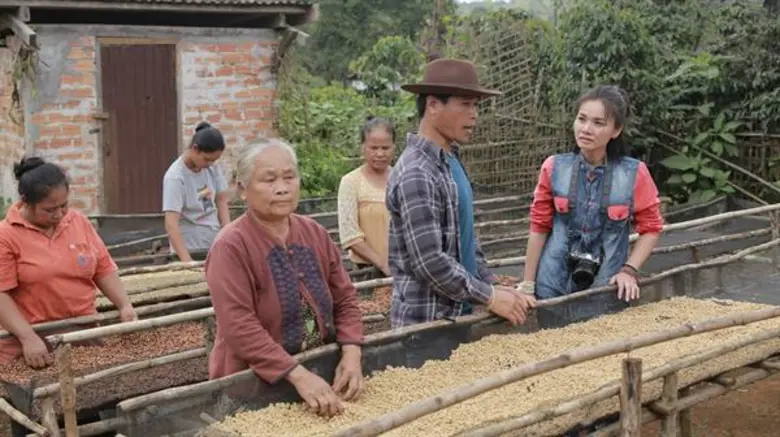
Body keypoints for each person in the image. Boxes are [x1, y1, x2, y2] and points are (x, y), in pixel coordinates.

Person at [386, 58, 536, 367]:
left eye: (477, 106)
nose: (474, 115)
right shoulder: (417, 173)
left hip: (457, 317)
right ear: (433, 105)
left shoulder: (450, 161)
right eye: (466, 104)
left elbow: (465, 239)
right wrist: (491, 297)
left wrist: (492, 286)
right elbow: (430, 262)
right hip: (426, 327)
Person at [205, 138, 364, 418]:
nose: (282, 187)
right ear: (243, 189)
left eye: (289, 177)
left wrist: (351, 352)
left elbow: (345, 297)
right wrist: (298, 375)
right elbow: (239, 326)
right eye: (269, 179)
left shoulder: (314, 233)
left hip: (319, 373)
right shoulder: (230, 246)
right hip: (252, 387)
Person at [519, 85, 664, 330]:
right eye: (581, 119)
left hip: (605, 289)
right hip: (551, 286)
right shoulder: (554, 168)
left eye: (598, 123)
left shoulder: (634, 173)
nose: (586, 129)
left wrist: (629, 270)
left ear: (616, 130)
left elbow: (651, 228)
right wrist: (528, 285)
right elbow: (539, 227)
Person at [0, 156, 137, 368]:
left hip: (82, 332)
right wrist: (28, 337)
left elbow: (103, 268)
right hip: (32, 339)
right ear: (26, 201)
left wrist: (124, 305)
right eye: (49, 209)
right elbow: (1, 294)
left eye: (63, 205)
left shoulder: (77, 221)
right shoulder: (7, 235)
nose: (59, 214)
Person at [163, 121, 231, 263]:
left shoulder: (211, 168)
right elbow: (171, 223)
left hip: (213, 241)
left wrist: (227, 232)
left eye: (214, 160)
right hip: (191, 247)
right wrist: (187, 261)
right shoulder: (175, 177)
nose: (210, 164)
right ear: (195, 149)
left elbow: (221, 199)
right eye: (206, 159)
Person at [337, 116, 396, 279]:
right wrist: (382, 263)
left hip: (404, 269)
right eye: (373, 147)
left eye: (385, 148)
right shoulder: (351, 182)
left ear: (394, 147)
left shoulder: (402, 178)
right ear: (363, 147)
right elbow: (350, 235)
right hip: (368, 272)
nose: (379, 153)